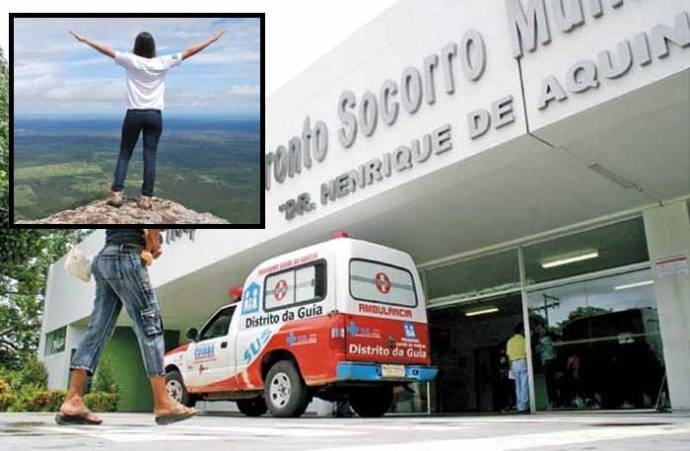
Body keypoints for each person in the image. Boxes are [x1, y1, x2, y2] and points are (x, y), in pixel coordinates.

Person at [68, 29, 226, 210]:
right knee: (150, 156)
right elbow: (189, 51)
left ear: (136, 46)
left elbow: (106, 50)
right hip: (154, 115)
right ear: (153, 47)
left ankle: (117, 194)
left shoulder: (130, 60)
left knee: (125, 153)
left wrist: (85, 39)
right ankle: (146, 198)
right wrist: (211, 40)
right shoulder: (163, 62)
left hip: (134, 114)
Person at [56, 229, 195, 426]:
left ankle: (73, 399)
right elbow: (153, 223)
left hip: (104, 258)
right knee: (150, 324)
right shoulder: (143, 199)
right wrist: (153, 244)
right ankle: (163, 402)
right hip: (126, 255)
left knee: (97, 329)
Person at [506, 322, 529, 413]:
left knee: (517, 385)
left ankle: (519, 405)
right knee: (524, 384)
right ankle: (524, 406)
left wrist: (510, 367)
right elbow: (528, 353)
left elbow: (509, 356)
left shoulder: (510, 341)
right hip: (522, 361)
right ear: (522, 331)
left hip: (514, 363)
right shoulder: (524, 340)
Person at [535, 325, 559, 409]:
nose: (538, 331)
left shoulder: (545, 339)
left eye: (539, 329)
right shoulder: (550, 339)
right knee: (553, 383)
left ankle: (552, 402)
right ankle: (556, 401)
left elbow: (538, 349)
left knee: (550, 384)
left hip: (547, 362)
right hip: (552, 361)